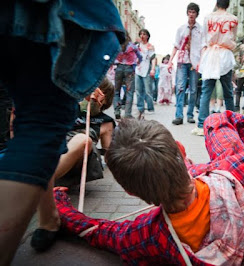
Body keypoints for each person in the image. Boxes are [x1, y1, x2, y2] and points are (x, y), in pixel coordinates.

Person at [54, 110, 244, 264]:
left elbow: (101, 233)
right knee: (217, 121)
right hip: (226, 180)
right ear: (181, 149)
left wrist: (60, 205)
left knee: (216, 130)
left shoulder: (147, 234)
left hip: (204, 181)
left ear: (131, 193)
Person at [0, 1, 124, 263]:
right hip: (41, 14)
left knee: (38, 127)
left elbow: (109, 148)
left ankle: (48, 218)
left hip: (70, 144)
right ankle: (43, 211)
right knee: (39, 128)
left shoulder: (104, 122)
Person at [28, 79, 115, 252]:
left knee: (83, 139)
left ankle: (36, 180)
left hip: (76, 157)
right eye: (88, 92)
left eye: (98, 96)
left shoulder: (106, 122)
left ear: (104, 101)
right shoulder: (70, 108)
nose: (90, 98)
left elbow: (110, 155)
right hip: (53, 150)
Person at [192, 0, 238, 136]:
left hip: (211, 55)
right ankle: (233, 124)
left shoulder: (208, 18)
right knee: (228, 91)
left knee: (206, 91)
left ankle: (202, 125)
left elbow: (205, 37)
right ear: (228, 5)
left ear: (217, 4)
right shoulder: (233, 19)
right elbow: (233, 37)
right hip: (225, 55)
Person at [170, 3, 204, 126]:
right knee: (180, 88)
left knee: (194, 89)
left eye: (193, 12)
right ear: (187, 13)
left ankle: (190, 115)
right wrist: (170, 62)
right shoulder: (181, 29)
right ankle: (179, 116)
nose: (191, 14)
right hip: (182, 61)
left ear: (197, 14)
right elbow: (176, 46)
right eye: (189, 12)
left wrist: (200, 62)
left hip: (195, 63)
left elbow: (203, 47)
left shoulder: (201, 30)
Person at [113, 34, 142, 119]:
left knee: (117, 91)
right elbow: (140, 56)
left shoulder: (117, 45)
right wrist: (137, 62)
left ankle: (117, 111)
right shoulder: (132, 46)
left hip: (118, 68)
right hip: (129, 69)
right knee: (129, 92)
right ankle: (127, 114)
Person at [135, 29, 156, 119]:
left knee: (148, 90)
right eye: (141, 34)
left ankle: (150, 108)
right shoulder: (137, 46)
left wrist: (153, 69)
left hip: (146, 69)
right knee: (138, 90)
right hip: (137, 70)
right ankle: (140, 108)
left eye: (144, 34)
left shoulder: (150, 46)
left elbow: (153, 58)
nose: (142, 36)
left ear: (147, 36)